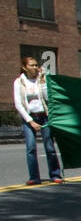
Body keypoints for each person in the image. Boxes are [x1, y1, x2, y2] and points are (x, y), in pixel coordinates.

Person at [13, 55, 63, 185]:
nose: (35, 67)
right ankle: (34, 177)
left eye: (36, 65)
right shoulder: (19, 82)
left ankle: (55, 174)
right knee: (31, 148)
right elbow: (18, 104)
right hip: (30, 118)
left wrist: (43, 82)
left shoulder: (41, 80)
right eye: (32, 65)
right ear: (24, 67)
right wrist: (30, 121)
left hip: (44, 116)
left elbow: (48, 98)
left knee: (49, 147)